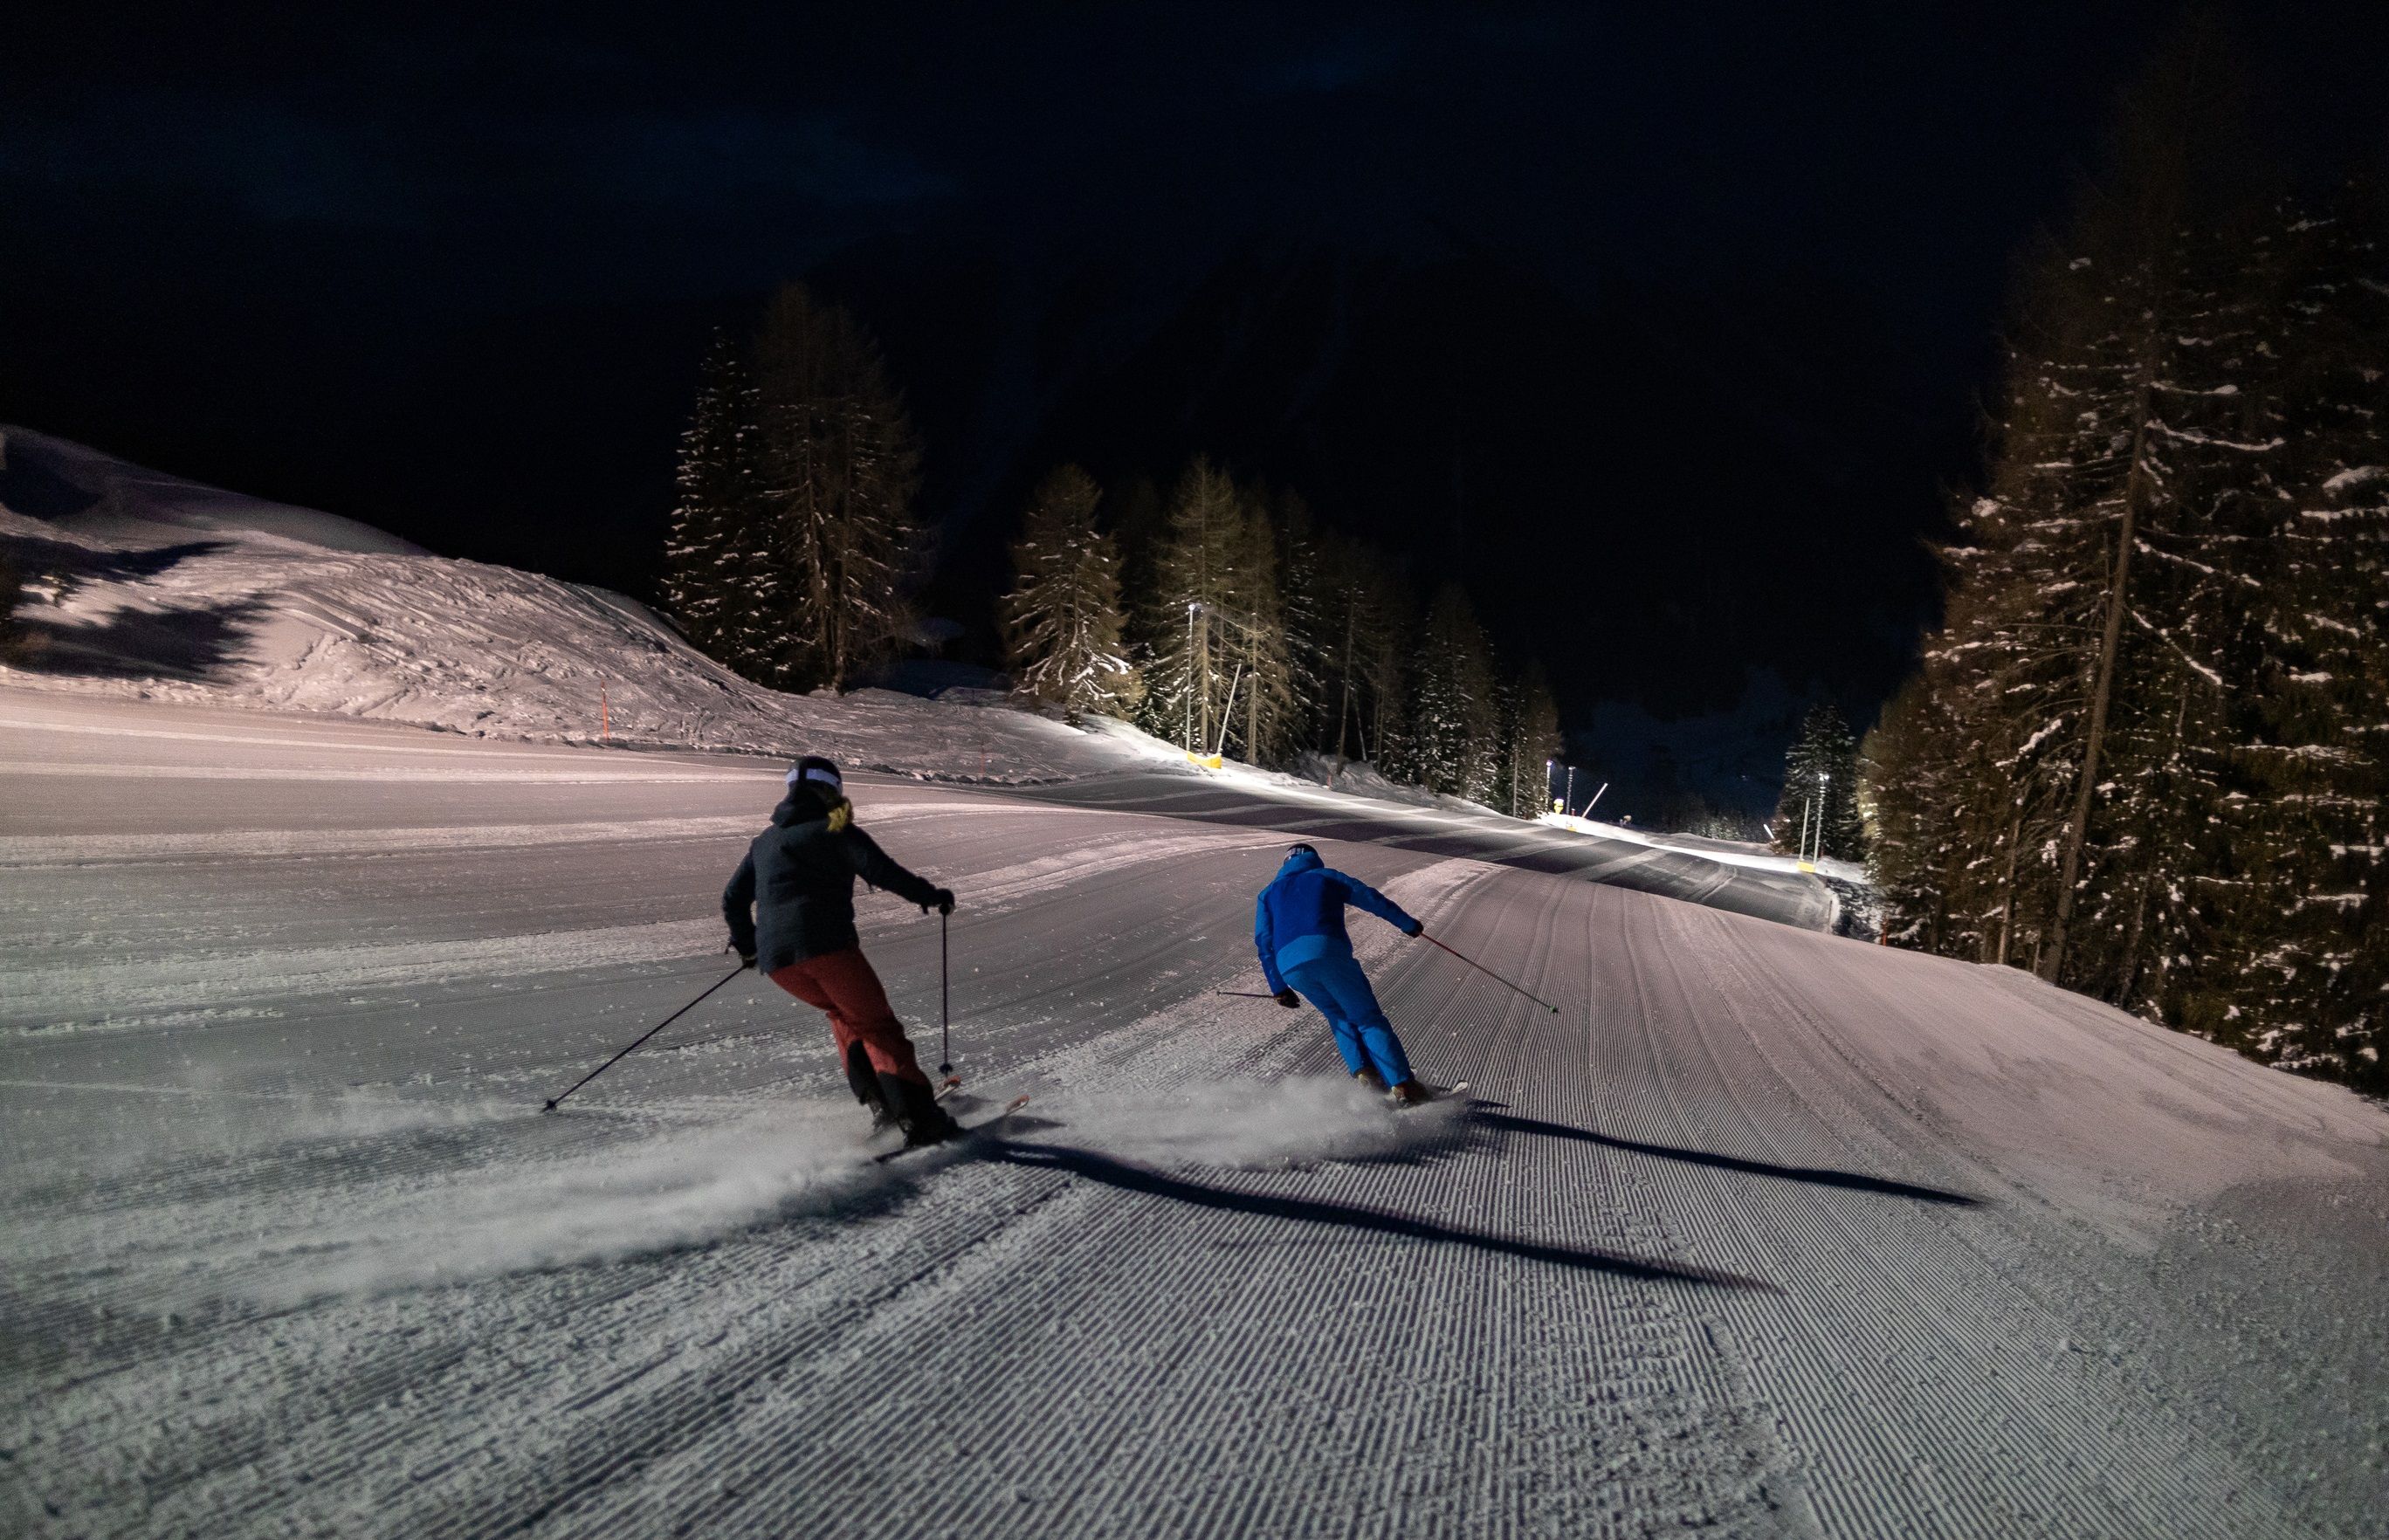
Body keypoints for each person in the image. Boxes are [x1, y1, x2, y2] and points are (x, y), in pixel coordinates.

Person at [725, 755, 962, 1146]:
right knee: (878, 1026)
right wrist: (932, 896)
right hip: (828, 949)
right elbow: (883, 871)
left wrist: (750, 948)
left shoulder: (765, 841)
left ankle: (883, 1105)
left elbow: (733, 899)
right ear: (831, 789)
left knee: (845, 1015)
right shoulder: (836, 829)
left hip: (779, 963)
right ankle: (921, 1120)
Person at [1253, 842, 1439, 1105]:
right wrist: (1406, 924)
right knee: (1367, 1018)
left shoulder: (1267, 894)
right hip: (1328, 952)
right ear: (1313, 859)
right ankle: (1404, 1087)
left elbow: (1264, 942)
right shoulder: (1326, 876)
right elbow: (1369, 897)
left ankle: (1367, 1076)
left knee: (1338, 1016)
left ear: (1285, 863)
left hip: (1290, 968)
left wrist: (1279, 988)